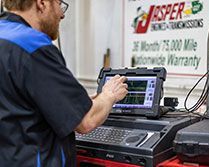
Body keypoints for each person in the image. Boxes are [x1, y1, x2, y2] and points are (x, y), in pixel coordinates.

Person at [0, 0, 128, 166]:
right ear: (42, 3)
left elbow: (16, 100)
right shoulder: (32, 46)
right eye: (59, 4)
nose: (62, 13)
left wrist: (70, 103)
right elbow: (86, 121)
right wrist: (109, 95)